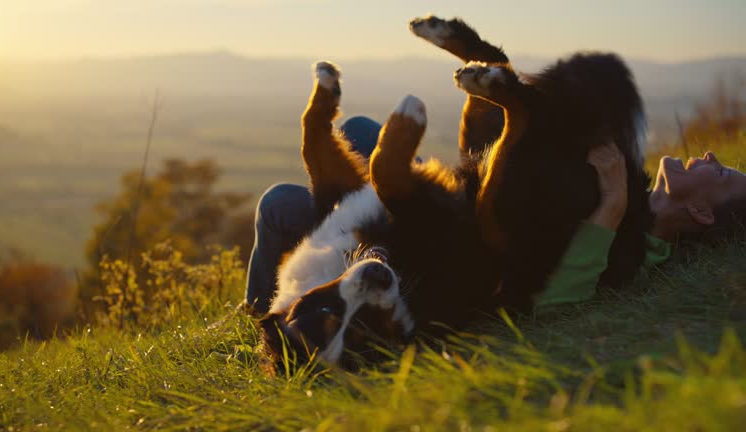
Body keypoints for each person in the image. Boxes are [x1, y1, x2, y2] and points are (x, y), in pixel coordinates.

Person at [242, 116, 746, 314]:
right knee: (357, 128)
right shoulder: (630, 181)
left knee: (278, 204)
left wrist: (611, 207)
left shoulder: (634, 248)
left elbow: (557, 294)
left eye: (720, 174)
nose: (710, 158)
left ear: (700, 213)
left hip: (442, 238)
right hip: (463, 197)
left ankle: (266, 313)